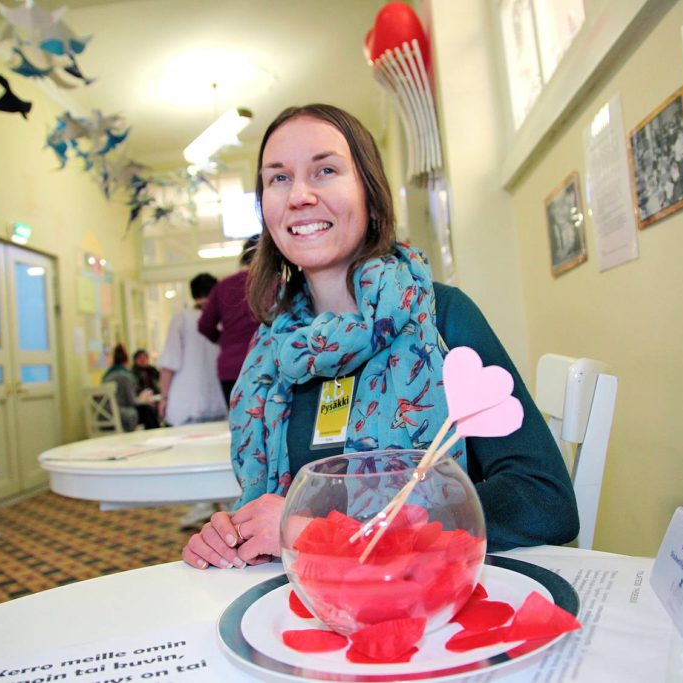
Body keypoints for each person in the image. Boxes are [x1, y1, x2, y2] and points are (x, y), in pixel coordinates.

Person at [182, 104, 578, 571]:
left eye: (325, 170)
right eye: (279, 178)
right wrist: (230, 534)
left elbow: (543, 499)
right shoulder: (270, 353)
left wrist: (326, 531)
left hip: (425, 599)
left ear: (370, 194)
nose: (300, 195)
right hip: (303, 595)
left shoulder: (442, 315)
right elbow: (271, 513)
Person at [157, 273, 228, 428]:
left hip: (186, 404)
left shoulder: (182, 318)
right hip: (219, 401)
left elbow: (169, 363)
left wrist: (164, 398)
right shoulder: (224, 319)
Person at [197, 235, 260, 404]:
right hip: (263, 363)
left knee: (237, 417)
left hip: (230, 366)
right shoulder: (273, 284)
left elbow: (204, 325)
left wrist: (222, 340)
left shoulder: (224, 286)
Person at [101, 343, 140, 432]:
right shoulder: (125, 377)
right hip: (120, 416)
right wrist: (143, 399)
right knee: (146, 411)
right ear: (127, 360)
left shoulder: (106, 376)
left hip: (103, 416)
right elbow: (132, 401)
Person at [131, 349, 162, 430]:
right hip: (141, 400)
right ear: (135, 360)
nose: (143, 360)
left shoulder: (152, 370)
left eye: (145, 357)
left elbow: (160, 381)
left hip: (155, 397)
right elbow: (135, 390)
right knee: (148, 410)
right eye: (140, 358)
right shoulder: (132, 373)